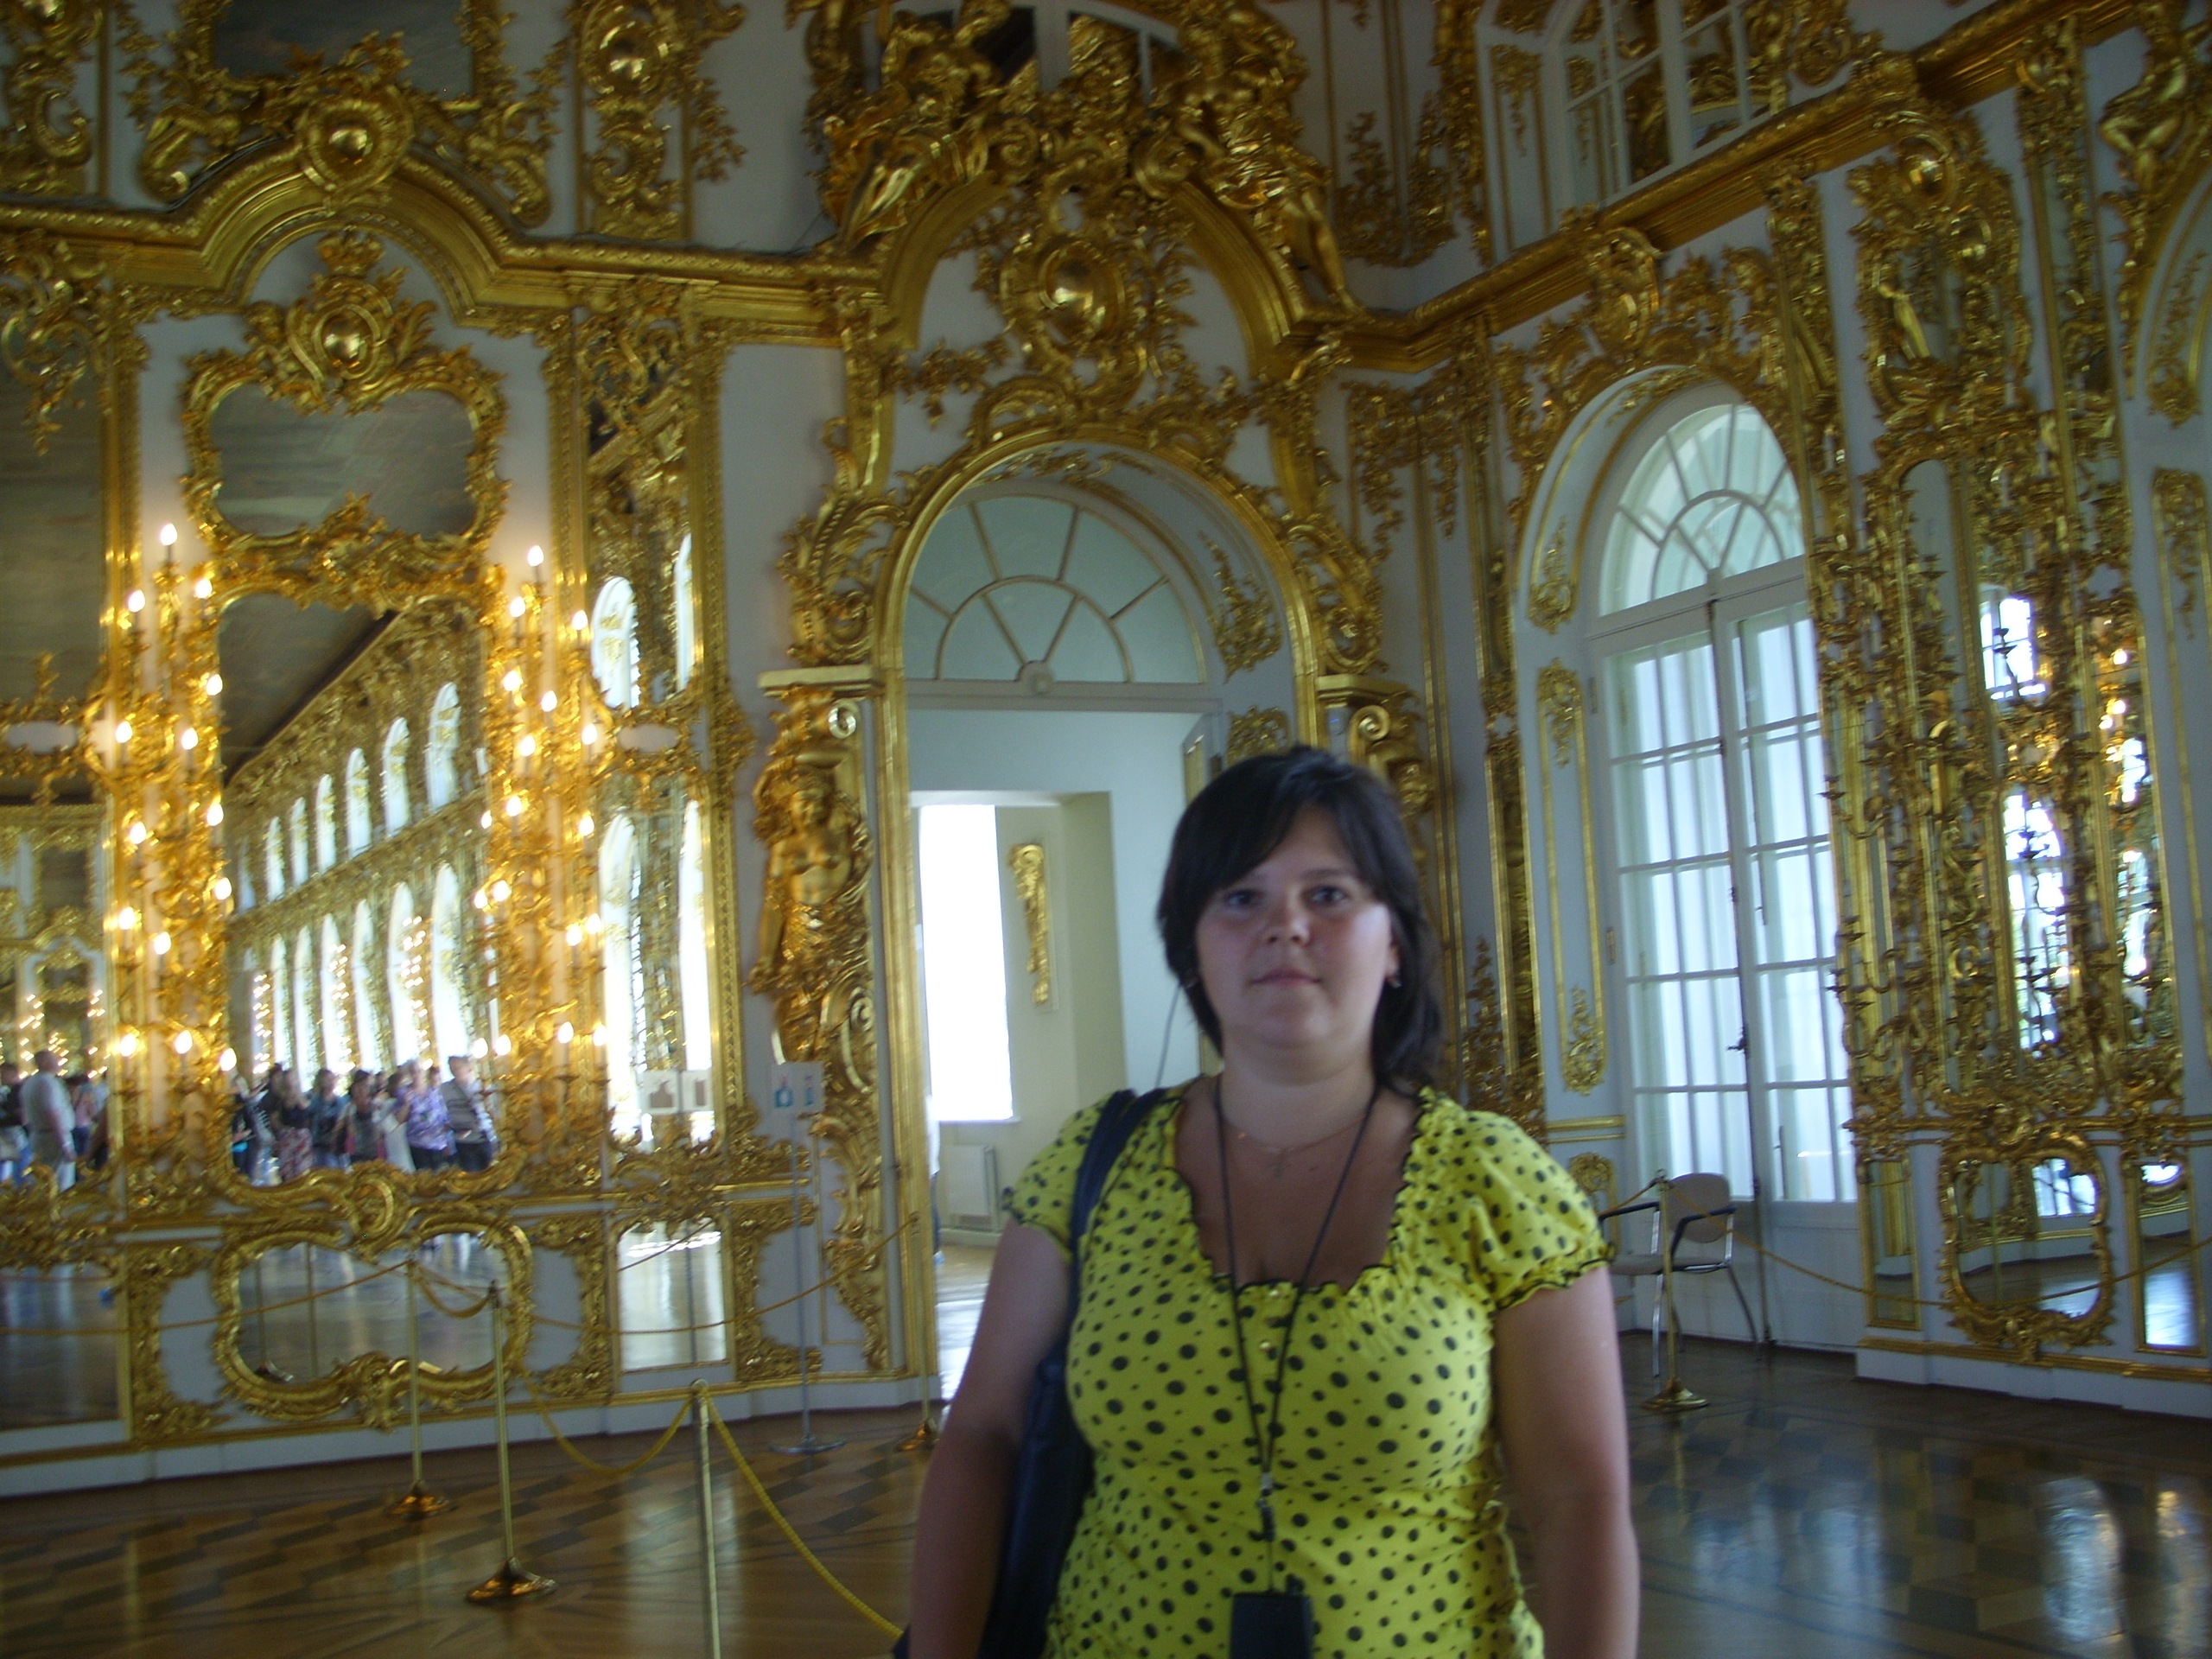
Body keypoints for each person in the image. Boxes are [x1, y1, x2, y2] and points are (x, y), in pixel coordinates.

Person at [906, 747, 1637, 1659]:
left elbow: (1577, 1500)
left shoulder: (1495, 1183)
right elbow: (983, 1434)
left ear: (1394, 943)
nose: (1285, 925)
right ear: (1192, 948)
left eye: (1327, 894)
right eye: (1241, 898)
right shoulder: (1095, 1164)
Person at [22, 1050, 75, 1192]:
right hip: (54, 1137)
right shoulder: (48, 1083)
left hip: (39, 1136)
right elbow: (53, 1113)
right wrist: (65, 1144)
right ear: (45, 1063)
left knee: (42, 1181)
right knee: (60, 1183)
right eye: (55, 1060)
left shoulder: (30, 1082)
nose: (59, 1063)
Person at [442, 1056, 497, 1173]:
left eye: (457, 1068)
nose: (454, 1071)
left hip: (485, 1138)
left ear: (469, 1068)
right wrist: (453, 1131)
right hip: (463, 1142)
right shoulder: (445, 1089)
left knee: (491, 1173)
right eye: (452, 1068)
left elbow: (493, 1113)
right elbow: (441, 1114)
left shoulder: (483, 1087)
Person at [397, 1060, 453, 1172]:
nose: (416, 1075)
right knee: (424, 1177)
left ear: (424, 1072)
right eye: (413, 1072)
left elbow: (444, 1117)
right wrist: (406, 1104)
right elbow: (399, 1120)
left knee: (441, 1175)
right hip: (418, 1143)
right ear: (409, 1075)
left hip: (438, 1141)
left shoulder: (434, 1091)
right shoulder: (404, 1092)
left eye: (419, 1071)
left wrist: (447, 1140)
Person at [270, 1069, 312, 1182]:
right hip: (287, 1137)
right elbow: (274, 1119)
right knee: (286, 1171)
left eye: (292, 1078)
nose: (290, 1081)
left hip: (302, 1137)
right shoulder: (279, 1099)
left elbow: (305, 1109)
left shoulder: (304, 1096)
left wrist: (296, 1094)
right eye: (287, 1078)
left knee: (302, 1170)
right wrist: (284, 1130)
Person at [307, 1069, 348, 1170]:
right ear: (321, 1082)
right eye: (327, 1080)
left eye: (332, 1079)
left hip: (339, 1145)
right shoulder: (315, 1102)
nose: (330, 1083)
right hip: (322, 1146)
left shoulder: (341, 1101)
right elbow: (311, 1123)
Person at [0, 1060, 25, 1185]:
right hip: (15, 1139)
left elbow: (22, 1118)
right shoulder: (12, 1092)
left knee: (19, 1176)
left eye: (3, 1074)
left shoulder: (16, 1093)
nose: (1, 1077)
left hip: (17, 1140)